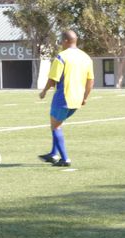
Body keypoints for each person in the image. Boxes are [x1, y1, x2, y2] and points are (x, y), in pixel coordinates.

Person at [38, 30, 94, 167]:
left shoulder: (61, 57)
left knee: (55, 126)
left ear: (65, 41)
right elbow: (90, 80)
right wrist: (85, 97)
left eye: (61, 41)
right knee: (57, 124)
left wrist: (44, 91)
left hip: (64, 97)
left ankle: (65, 159)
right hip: (77, 100)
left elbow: (53, 78)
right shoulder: (86, 57)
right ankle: (53, 153)